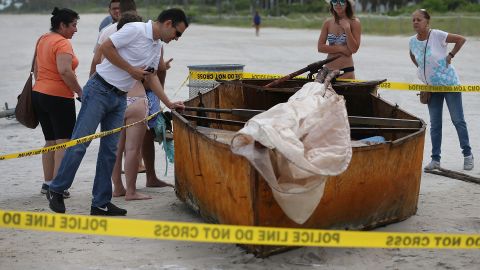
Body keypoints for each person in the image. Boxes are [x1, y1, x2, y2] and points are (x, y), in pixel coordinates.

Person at [46, 8, 188, 216]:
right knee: (80, 142)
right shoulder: (136, 29)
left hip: (119, 97)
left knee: (110, 151)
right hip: (99, 90)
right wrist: (131, 69)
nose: (177, 39)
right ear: (168, 23)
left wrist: (168, 102)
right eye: (178, 33)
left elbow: (151, 77)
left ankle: (100, 203)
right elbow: (106, 47)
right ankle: (56, 189)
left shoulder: (156, 46)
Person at [408, 9, 473, 171]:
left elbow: (461, 39)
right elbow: (412, 55)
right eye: (413, 20)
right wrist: (422, 71)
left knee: (458, 120)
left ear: (427, 22)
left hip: (450, 85)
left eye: (419, 20)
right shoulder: (412, 41)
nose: (415, 22)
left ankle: (468, 155)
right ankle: (435, 160)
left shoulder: (437, 35)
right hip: (432, 88)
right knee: (435, 124)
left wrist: (450, 55)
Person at [32, 7, 82, 199]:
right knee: (63, 142)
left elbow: (36, 68)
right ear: (62, 25)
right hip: (59, 97)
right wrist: (79, 91)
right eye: (74, 25)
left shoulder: (43, 38)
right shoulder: (62, 43)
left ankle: (48, 183)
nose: (76, 30)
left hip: (39, 94)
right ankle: (58, 186)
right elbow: (65, 71)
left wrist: (43, 86)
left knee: (50, 141)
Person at [317, 0, 361, 79]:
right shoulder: (328, 23)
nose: (338, 4)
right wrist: (341, 49)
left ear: (347, 4)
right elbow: (320, 47)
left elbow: (354, 49)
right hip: (327, 71)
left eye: (341, 1)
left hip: (346, 71)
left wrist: (347, 29)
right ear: (331, 4)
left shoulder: (355, 22)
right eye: (334, 1)